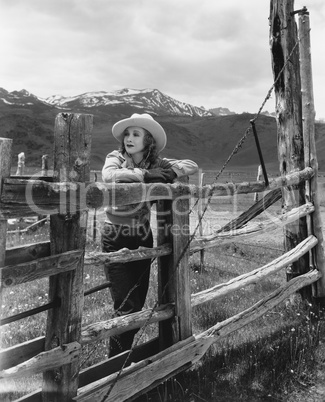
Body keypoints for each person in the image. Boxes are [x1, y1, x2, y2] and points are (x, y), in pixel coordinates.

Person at [101, 113, 198, 357]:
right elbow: (109, 176)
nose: (129, 138)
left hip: (142, 235)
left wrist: (167, 173)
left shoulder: (155, 163)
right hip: (116, 234)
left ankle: (122, 361)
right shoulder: (115, 158)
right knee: (126, 305)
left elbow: (190, 165)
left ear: (148, 141)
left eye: (136, 134)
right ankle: (114, 365)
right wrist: (145, 176)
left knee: (138, 300)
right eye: (127, 134)